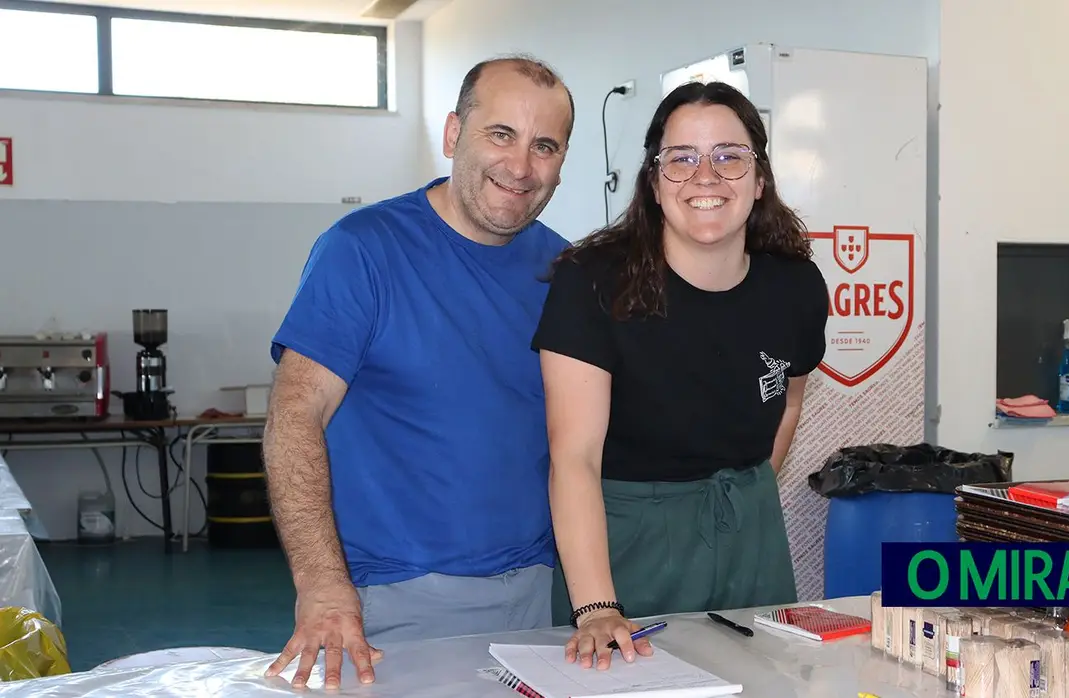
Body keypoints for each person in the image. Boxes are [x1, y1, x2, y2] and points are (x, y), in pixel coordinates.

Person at [261, 55, 575, 689]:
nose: (520, 167)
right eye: (501, 135)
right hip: (390, 601)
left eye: (544, 145)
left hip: (541, 593)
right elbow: (295, 416)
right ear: (454, 134)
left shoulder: (564, 269)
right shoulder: (363, 250)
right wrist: (322, 583)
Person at [530, 80, 829, 670]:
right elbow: (575, 458)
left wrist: (744, 497)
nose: (706, 176)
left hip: (750, 536)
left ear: (760, 177)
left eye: (729, 156)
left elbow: (788, 400)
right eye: (682, 158)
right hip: (627, 543)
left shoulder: (794, 285)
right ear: (653, 179)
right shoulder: (593, 281)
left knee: (761, 683)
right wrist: (595, 606)